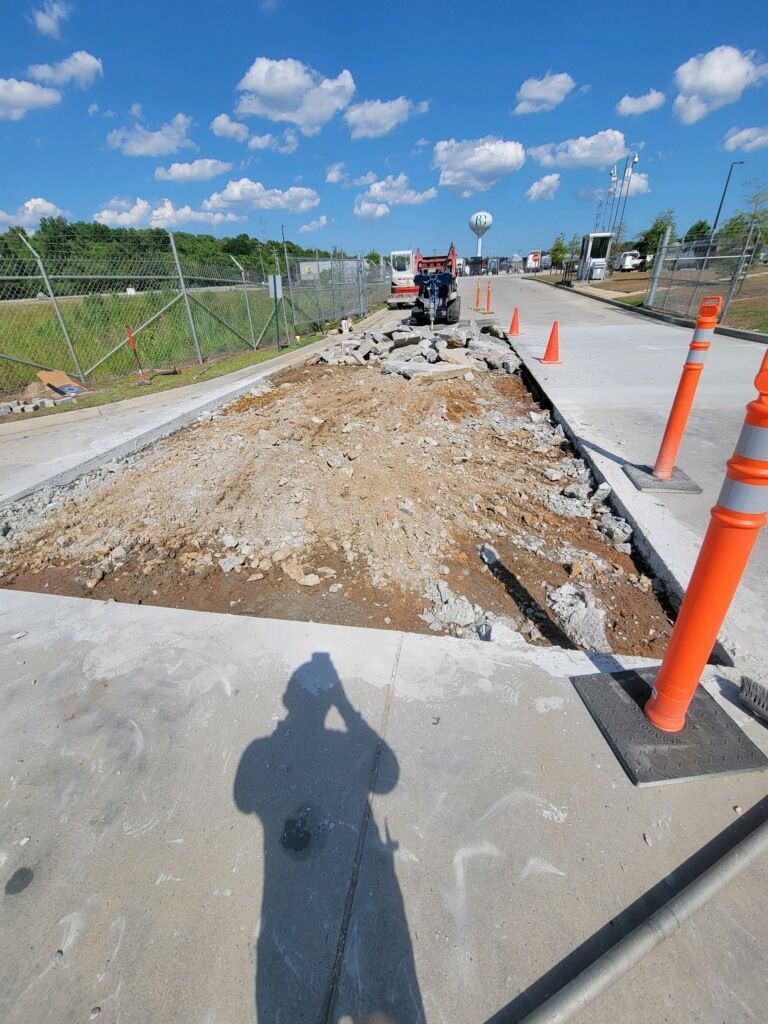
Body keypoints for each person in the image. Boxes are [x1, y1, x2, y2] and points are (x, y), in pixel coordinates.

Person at [234, 653, 424, 1023]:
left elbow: (242, 800)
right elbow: (388, 776)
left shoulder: (259, 751)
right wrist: (348, 709)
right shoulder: (337, 739)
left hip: (282, 914)